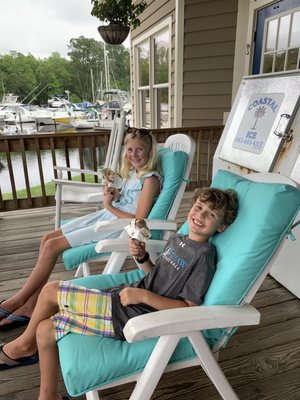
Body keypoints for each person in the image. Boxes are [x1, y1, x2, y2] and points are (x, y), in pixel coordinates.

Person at [0, 187, 238, 400]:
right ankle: (48, 395)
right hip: (125, 300)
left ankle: (23, 347)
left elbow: (188, 306)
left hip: (131, 315)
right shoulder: (179, 239)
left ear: (222, 226)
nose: (201, 215)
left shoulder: (203, 257)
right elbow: (157, 277)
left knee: (51, 290)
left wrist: (143, 297)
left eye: (211, 215)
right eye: (199, 207)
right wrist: (142, 257)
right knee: (45, 328)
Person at [0, 129, 162, 330]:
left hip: (117, 226)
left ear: (150, 151)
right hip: (108, 215)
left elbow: (139, 219)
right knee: (47, 238)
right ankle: (30, 305)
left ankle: (16, 302)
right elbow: (128, 200)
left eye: (140, 149)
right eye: (130, 149)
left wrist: (110, 206)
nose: (134, 154)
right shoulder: (133, 173)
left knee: (52, 246)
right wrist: (115, 196)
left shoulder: (150, 180)